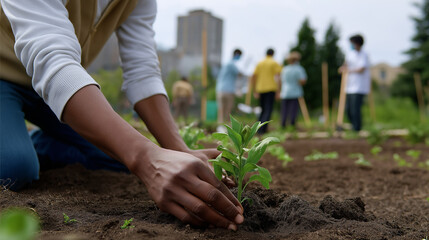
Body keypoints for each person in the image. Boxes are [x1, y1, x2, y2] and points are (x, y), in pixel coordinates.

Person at [0, 0, 243, 230]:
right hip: (9, 75)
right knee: (14, 168)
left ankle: (36, 144)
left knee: (118, 159)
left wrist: (178, 150)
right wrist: (147, 159)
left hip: (53, 89)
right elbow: (50, 59)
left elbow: (142, 71)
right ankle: (18, 148)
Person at [339, 34, 370, 131]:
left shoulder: (364, 55)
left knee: (355, 109)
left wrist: (348, 70)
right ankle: (353, 126)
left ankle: (357, 129)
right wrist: (342, 68)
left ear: (357, 43)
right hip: (349, 86)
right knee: (348, 109)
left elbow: (361, 69)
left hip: (359, 87)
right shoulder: (350, 54)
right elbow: (345, 64)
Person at [251, 48, 282, 134]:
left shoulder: (260, 63)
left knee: (262, 109)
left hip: (260, 89)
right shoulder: (274, 63)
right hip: (270, 89)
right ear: (273, 54)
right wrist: (279, 91)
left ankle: (258, 129)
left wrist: (254, 90)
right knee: (268, 110)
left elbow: (253, 76)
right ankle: (262, 130)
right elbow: (278, 77)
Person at [279, 51, 307, 128]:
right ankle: (292, 125)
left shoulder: (285, 69)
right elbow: (303, 80)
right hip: (295, 92)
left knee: (284, 110)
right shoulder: (299, 69)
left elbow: (281, 80)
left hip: (285, 92)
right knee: (293, 110)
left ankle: (283, 125)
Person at [216, 49, 242, 125]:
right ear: (237, 55)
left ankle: (220, 127)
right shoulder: (232, 64)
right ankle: (226, 128)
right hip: (228, 91)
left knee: (221, 110)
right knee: (227, 112)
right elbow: (239, 74)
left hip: (220, 90)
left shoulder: (225, 64)